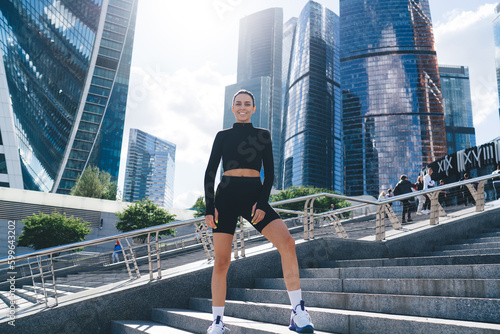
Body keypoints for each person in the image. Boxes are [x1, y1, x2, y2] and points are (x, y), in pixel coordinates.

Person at [204, 90, 314, 334]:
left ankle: (298, 311)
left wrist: (262, 203)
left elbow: (271, 173)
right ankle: (218, 322)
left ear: (254, 108)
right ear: (232, 108)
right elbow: (210, 172)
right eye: (238, 104)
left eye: (247, 104)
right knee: (222, 261)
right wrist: (209, 206)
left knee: (287, 243)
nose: (242, 107)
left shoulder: (262, 135)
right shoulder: (222, 136)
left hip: (254, 195)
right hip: (226, 197)